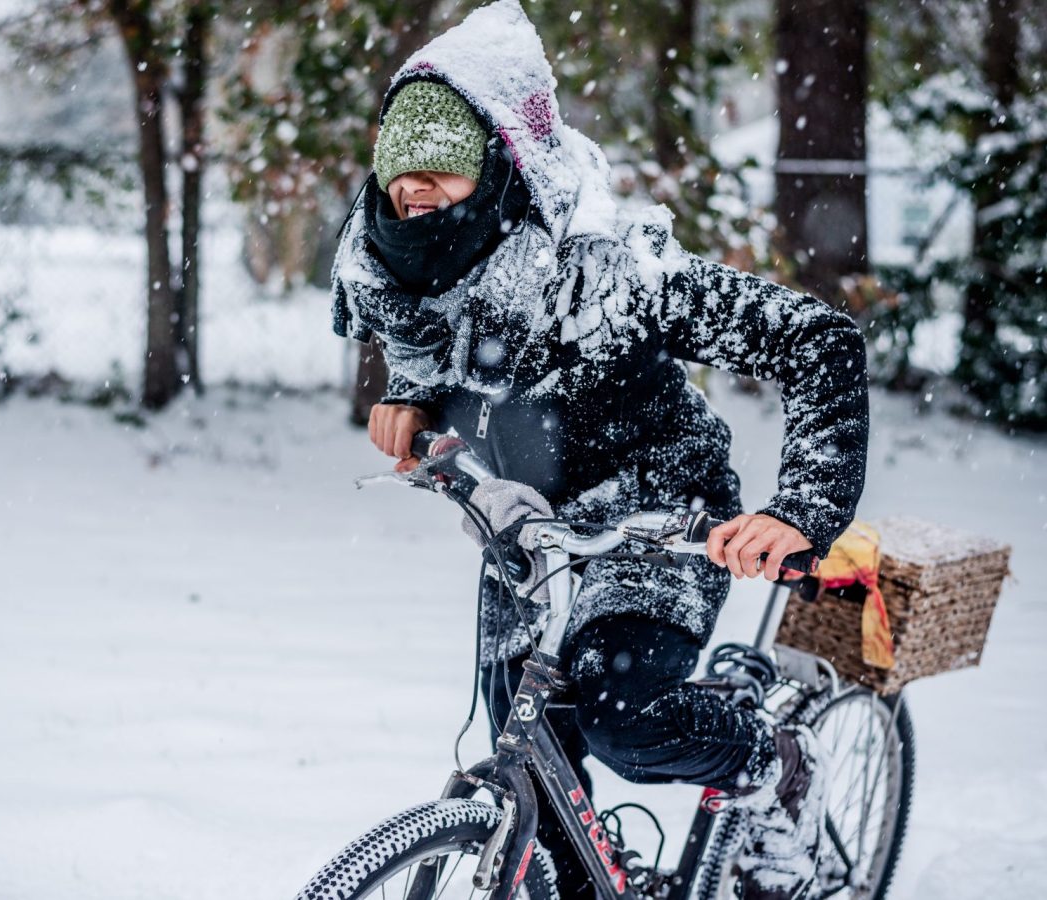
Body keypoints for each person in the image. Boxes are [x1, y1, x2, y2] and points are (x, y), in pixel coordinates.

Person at [331, 3, 869, 898]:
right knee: (539, 775)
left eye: (442, 167)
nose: (414, 191)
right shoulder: (406, 266)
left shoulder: (614, 276)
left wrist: (797, 511)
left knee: (621, 716)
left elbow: (817, 342)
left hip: (660, 516)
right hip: (530, 532)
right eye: (399, 171)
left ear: (498, 168)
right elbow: (445, 344)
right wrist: (411, 392)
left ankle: (773, 764)